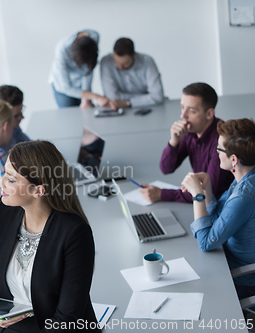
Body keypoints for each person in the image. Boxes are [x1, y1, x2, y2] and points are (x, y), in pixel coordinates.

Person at [0, 141, 100, 332]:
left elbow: (67, 318)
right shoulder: (3, 213)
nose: (1, 183)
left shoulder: (74, 233)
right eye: (5, 173)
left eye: (11, 179)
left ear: (38, 190)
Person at [181, 118, 255, 299]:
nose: (216, 153)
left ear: (234, 159)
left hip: (241, 279)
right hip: (226, 260)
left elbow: (206, 243)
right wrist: (206, 190)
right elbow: (219, 217)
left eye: (219, 149)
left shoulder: (244, 196)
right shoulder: (245, 178)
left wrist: (197, 196)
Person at [140, 82, 233, 203]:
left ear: (209, 114)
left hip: (220, 205)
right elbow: (166, 168)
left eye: (192, 111)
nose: (183, 115)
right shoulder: (190, 132)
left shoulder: (221, 141)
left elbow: (208, 193)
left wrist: (162, 194)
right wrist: (174, 142)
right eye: (182, 107)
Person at [49, 29, 109, 108]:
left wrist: (86, 99)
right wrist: (96, 97)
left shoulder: (94, 37)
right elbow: (66, 88)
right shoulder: (61, 50)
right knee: (69, 116)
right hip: (63, 87)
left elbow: (88, 69)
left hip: (81, 84)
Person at [100, 37, 164, 110]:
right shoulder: (106, 62)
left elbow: (157, 96)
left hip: (149, 109)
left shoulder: (147, 61)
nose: (120, 67)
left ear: (134, 55)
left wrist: (128, 103)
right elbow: (112, 97)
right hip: (119, 110)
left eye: (125, 64)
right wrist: (146, 98)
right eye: (117, 63)